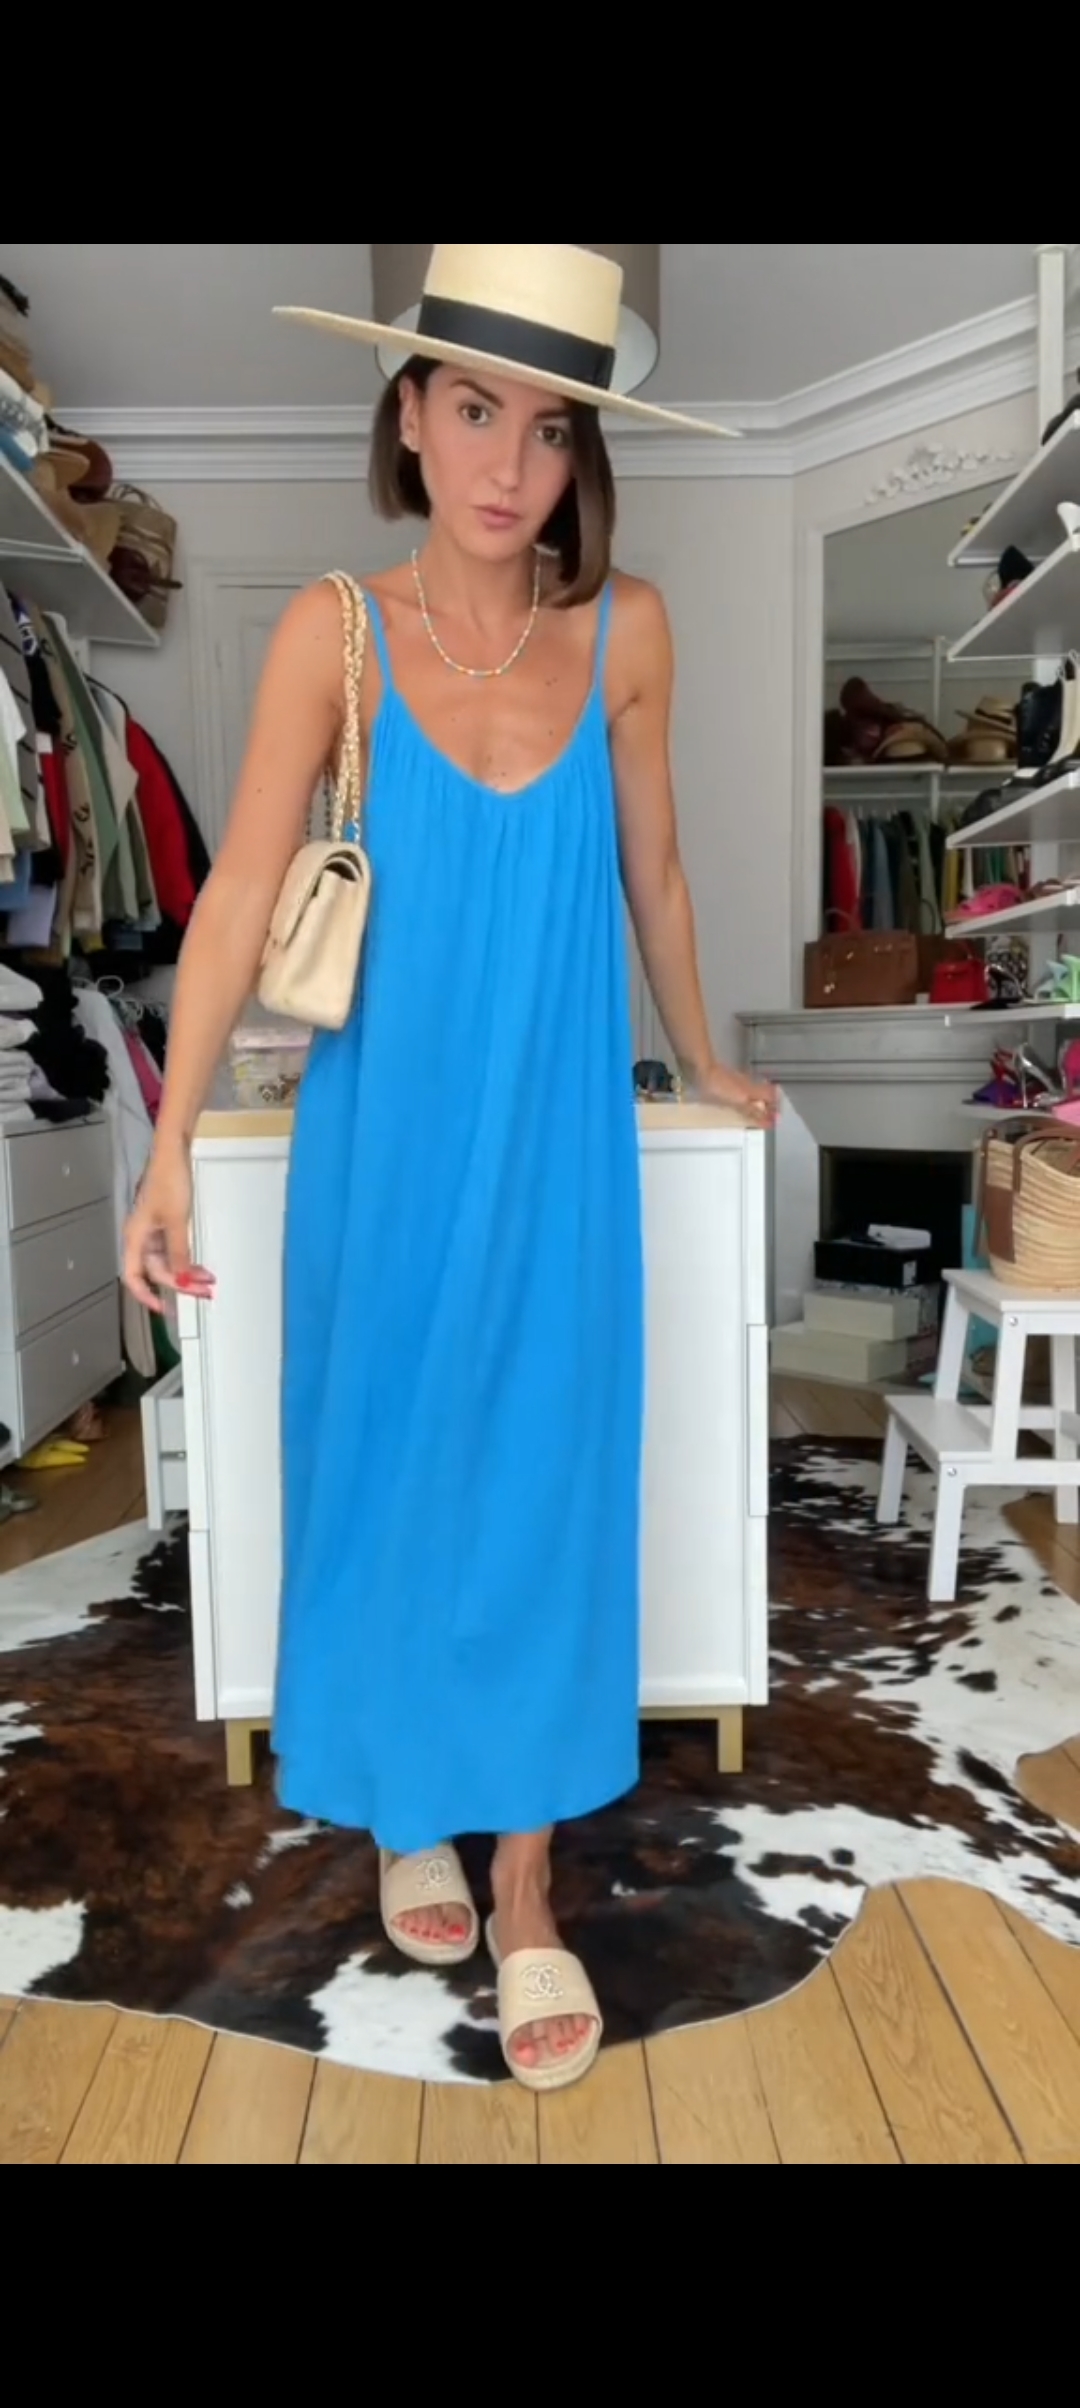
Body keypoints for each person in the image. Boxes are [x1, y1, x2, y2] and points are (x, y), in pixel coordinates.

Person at [123, 245, 779, 2095]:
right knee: (391, 1477)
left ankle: (526, 1880)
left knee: (545, 1491)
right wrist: (167, 1150)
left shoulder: (628, 630)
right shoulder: (334, 631)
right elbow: (236, 896)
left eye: (552, 427)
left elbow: (656, 873)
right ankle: (410, 1802)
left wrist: (706, 1058)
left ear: (582, 455)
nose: (510, 462)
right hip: (384, 1148)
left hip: (558, 1152)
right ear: (408, 414)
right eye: (475, 408)